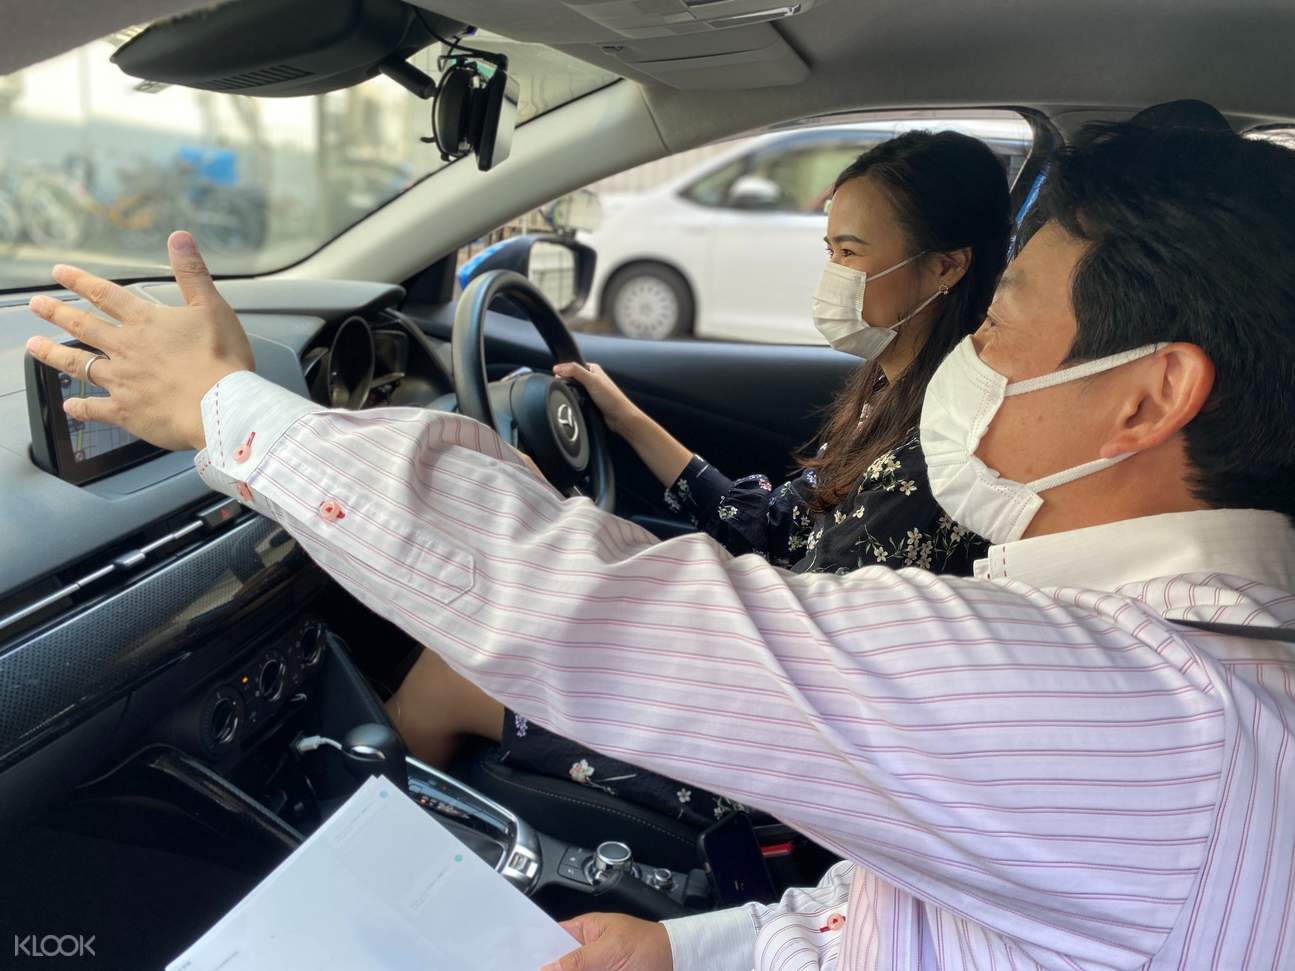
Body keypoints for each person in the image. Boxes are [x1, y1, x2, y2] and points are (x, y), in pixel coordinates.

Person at [25, 117, 1295, 970]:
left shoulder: (1143, 713)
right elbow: (913, 908)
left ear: (1145, 397)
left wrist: (223, 411)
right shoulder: (1194, 676)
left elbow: (591, 611)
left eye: (1005, 319)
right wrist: (693, 949)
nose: (977, 353)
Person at [384, 131, 1010, 827]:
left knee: (453, 670)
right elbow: (775, 527)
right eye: (828, 250)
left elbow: (788, 624)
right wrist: (624, 420)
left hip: (779, 755)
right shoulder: (891, 390)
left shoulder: (933, 455)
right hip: (771, 683)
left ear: (946, 267)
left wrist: (556, 520)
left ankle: (362, 846)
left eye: (851, 253)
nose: (831, 274)